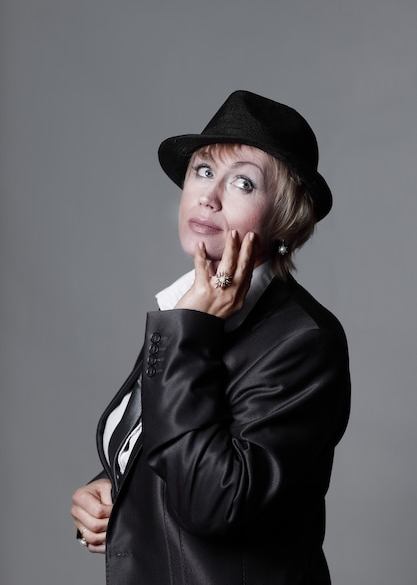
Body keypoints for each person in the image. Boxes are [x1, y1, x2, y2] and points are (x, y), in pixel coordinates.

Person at [71, 90, 350, 584]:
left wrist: (190, 331)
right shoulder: (192, 303)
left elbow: (213, 502)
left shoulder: (304, 340)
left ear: (284, 218)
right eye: (203, 171)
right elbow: (174, 444)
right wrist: (113, 489)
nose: (208, 195)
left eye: (243, 182)